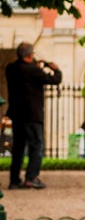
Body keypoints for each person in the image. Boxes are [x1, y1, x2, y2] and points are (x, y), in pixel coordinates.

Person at [6, 44, 62, 190]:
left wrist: (36, 67)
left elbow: (24, 76)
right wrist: (55, 69)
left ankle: (14, 180)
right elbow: (55, 80)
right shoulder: (33, 71)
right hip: (32, 115)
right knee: (36, 146)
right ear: (30, 55)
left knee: (18, 148)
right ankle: (31, 178)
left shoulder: (11, 69)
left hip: (17, 115)